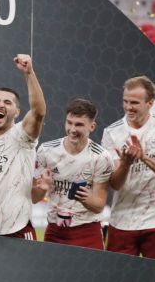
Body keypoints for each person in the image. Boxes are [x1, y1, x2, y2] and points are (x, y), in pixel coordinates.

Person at [0, 54, 46, 239]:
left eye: (8, 102)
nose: (0, 105)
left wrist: (29, 73)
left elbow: (38, 112)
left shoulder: (21, 135)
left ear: (17, 112)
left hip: (20, 229)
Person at [33, 99, 113, 250]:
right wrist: (43, 188)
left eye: (79, 125)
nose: (72, 129)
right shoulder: (46, 151)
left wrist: (86, 198)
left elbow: (99, 206)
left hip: (87, 232)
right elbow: (34, 198)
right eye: (69, 122)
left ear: (92, 126)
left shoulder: (101, 157)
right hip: (54, 232)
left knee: (90, 275)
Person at [101, 76, 155, 257]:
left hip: (154, 220)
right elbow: (115, 185)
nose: (128, 107)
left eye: (134, 102)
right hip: (122, 220)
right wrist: (125, 163)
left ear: (150, 103)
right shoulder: (111, 133)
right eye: (125, 101)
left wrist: (144, 157)